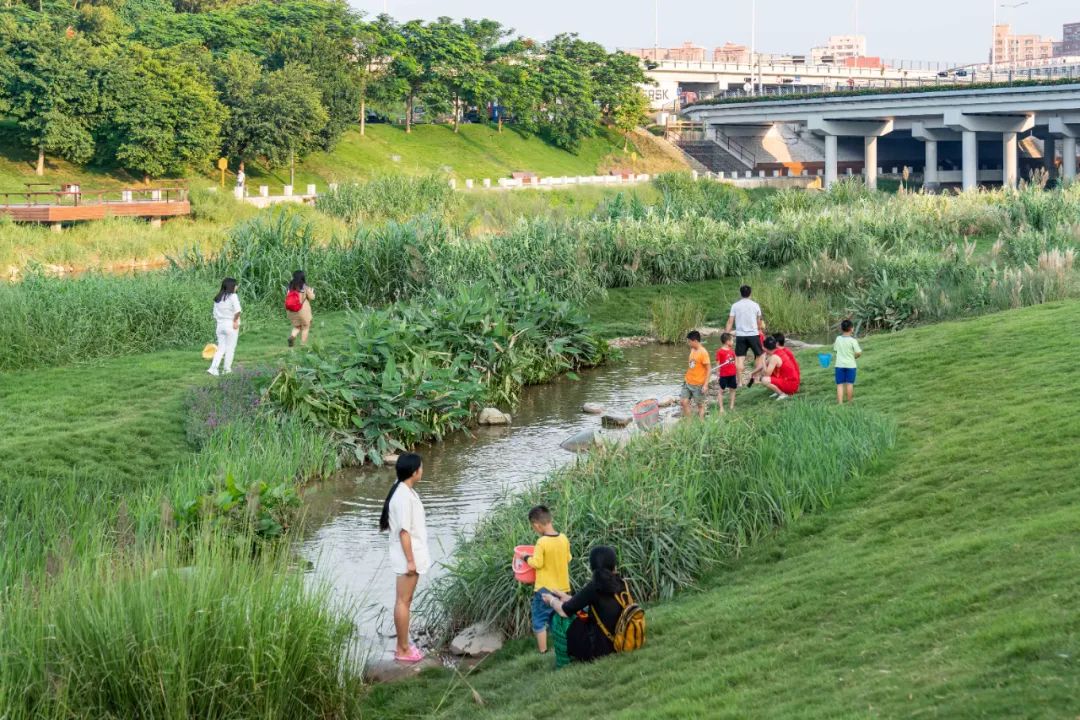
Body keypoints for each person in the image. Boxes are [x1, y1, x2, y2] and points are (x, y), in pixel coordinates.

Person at [379, 453, 430, 664]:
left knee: (405, 601)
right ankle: (402, 649)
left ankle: (403, 645)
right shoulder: (402, 496)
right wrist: (410, 561)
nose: (422, 469)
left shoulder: (404, 490)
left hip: (411, 555)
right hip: (407, 557)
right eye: (421, 467)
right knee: (403, 601)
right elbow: (403, 532)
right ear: (414, 471)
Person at [543, 546, 626, 667]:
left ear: (593, 566)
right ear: (613, 564)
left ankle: (563, 663)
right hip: (620, 640)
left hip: (599, 649)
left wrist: (551, 600)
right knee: (583, 611)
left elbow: (564, 611)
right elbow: (586, 603)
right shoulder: (622, 583)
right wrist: (566, 597)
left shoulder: (594, 587)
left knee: (558, 618)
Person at [522, 505, 571, 654]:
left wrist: (524, 557)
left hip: (545, 590)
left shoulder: (541, 542)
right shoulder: (563, 538)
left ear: (537, 525)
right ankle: (562, 646)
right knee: (558, 619)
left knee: (539, 620)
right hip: (563, 589)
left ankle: (543, 651)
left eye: (533, 527)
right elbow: (568, 558)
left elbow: (537, 563)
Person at [725, 285, 765, 387]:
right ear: (750, 293)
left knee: (739, 359)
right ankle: (755, 379)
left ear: (740, 293)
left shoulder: (735, 306)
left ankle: (740, 382)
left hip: (741, 336)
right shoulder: (755, 305)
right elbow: (759, 321)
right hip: (753, 335)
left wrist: (726, 335)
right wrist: (760, 330)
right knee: (759, 356)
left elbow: (730, 322)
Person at [207, 278, 241, 377]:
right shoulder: (233, 296)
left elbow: (214, 314)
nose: (237, 287)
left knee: (221, 348)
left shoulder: (218, 298)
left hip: (220, 325)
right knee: (230, 348)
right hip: (230, 325)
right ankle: (226, 370)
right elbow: (238, 310)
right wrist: (235, 321)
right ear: (231, 286)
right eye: (236, 285)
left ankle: (213, 368)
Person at [680, 330, 710, 420]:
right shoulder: (692, 349)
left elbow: (709, 370)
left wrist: (705, 385)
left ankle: (701, 422)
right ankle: (689, 423)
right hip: (688, 381)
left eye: (689, 341)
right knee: (683, 402)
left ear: (695, 341)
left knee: (700, 405)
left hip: (698, 385)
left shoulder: (703, 353)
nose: (688, 343)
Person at [833, 320, 863, 405]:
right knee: (849, 384)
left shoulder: (838, 339)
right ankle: (850, 402)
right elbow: (858, 352)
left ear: (841, 329)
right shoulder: (853, 341)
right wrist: (855, 357)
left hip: (839, 365)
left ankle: (840, 403)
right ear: (852, 329)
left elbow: (835, 349)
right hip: (851, 365)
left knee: (839, 384)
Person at [285, 270, 316, 347]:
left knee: (297, 326)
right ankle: (303, 345)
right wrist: (311, 292)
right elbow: (312, 298)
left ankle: (292, 336)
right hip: (302, 310)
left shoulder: (289, 286)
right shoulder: (304, 287)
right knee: (306, 327)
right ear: (303, 277)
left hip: (291, 310)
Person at [715, 332, 738, 413]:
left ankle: (731, 406)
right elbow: (717, 364)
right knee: (721, 390)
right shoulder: (720, 351)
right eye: (732, 340)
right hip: (724, 375)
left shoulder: (732, 351)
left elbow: (735, 362)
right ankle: (721, 408)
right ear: (727, 341)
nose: (733, 342)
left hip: (732, 374)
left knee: (733, 389)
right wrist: (718, 374)